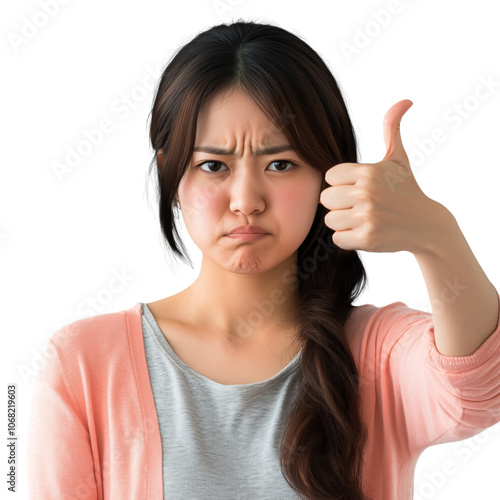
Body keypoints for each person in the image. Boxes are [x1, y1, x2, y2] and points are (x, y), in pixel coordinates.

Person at [27, 19, 500, 500]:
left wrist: (436, 235)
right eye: (213, 165)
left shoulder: (378, 354)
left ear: (327, 175)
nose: (246, 200)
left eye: (281, 164)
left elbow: (480, 388)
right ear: (172, 176)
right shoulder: (82, 364)